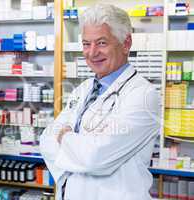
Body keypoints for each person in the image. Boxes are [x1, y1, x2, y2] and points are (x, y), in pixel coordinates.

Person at [40, 4, 160, 200]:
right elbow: (46, 140)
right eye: (86, 44)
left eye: (102, 43)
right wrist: (79, 146)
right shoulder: (84, 88)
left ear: (126, 43)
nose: (92, 52)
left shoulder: (143, 95)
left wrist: (66, 138)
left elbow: (94, 157)